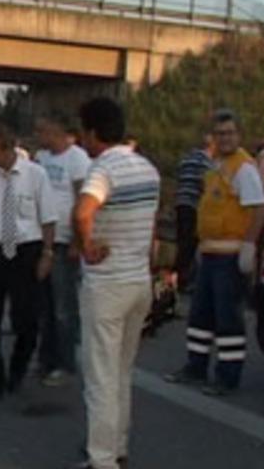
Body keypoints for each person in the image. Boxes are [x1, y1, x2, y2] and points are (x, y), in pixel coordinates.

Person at [70, 97, 160, 469]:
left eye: (83, 133)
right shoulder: (147, 168)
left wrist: (86, 246)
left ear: (93, 133)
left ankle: (102, 459)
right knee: (122, 371)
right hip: (139, 281)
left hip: (107, 284)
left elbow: (82, 212)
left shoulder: (103, 168)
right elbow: (152, 228)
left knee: (101, 378)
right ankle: (118, 446)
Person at [164, 109, 264, 396]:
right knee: (200, 316)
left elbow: (258, 208)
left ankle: (227, 377)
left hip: (230, 255)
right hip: (210, 252)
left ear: (239, 135)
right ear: (213, 137)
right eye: (220, 134)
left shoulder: (243, 168)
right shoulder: (214, 167)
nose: (225, 138)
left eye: (230, 133)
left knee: (228, 319)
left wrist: (249, 246)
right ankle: (195, 367)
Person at [0, 123, 57, 403]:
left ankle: (18, 369)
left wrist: (47, 253)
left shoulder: (35, 174)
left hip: (25, 250)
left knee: (27, 319)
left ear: (8, 149)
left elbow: (48, 217)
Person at [34, 111, 91, 387]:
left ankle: (66, 363)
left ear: (56, 131)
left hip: (64, 239)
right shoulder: (41, 158)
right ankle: (46, 358)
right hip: (42, 237)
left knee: (63, 307)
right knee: (44, 305)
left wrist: (78, 241)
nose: (38, 136)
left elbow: (82, 198)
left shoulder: (77, 159)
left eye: (43, 131)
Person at [172, 134, 216, 293]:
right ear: (212, 146)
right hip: (194, 205)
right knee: (189, 244)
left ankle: (176, 277)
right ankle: (183, 280)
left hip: (181, 202)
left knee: (182, 241)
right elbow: (206, 184)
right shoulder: (206, 162)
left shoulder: (186, 159)